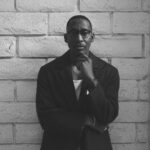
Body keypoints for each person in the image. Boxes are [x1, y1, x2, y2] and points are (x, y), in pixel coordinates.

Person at [36, 15, 120, 150]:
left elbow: (108, 114)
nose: (79, 38)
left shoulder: (109, 72)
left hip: (96, 145)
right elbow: (46, 117)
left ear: (92, 37)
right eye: (74, 33)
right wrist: (87, 121)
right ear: (66, 37)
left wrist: (92, 81)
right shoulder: (48, 72)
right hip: (58, 145)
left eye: (84, 33)